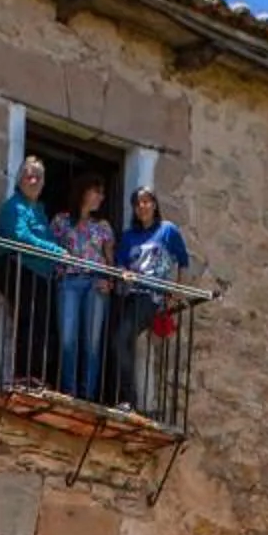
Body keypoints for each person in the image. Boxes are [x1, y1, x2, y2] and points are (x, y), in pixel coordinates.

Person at [115, 187, 190, 419]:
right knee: (121, 342)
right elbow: (120, 264)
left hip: (152, 296)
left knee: (120, 340)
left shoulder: (167, 230)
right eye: (138, 203)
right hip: (131, 294)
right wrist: (124, 274)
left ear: (155, 204)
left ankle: (128, 399)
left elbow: (183, 261)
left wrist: (176, 288)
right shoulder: (129, 236)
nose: (143, 206)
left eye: (147, 201)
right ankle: (129, 398)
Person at [0, 155, 64, 388]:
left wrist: (58, 255)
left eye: (38, 177)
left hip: (40, 275)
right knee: (29, 319)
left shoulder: (40, 211)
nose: (33, 180)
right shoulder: (14, 206)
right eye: (28, 175)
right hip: (17, 267)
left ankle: (36, 375)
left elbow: (46, 237)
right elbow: (20, 237)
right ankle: (23, 374)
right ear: (20, 179)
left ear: (43, 183)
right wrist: (55, 251)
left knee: (42, 324)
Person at [50, 176, 115, 402]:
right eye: (97, 191)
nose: (101, 197)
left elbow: (109, 259)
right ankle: (70, 393)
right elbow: (51, 250)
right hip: (68, 281)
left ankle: (87, 395)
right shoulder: (61, 221)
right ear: (83, 191)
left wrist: (110, 281)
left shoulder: (104, 227)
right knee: (68, 340)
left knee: (92, 343)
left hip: (95, 284)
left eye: (102, 193)